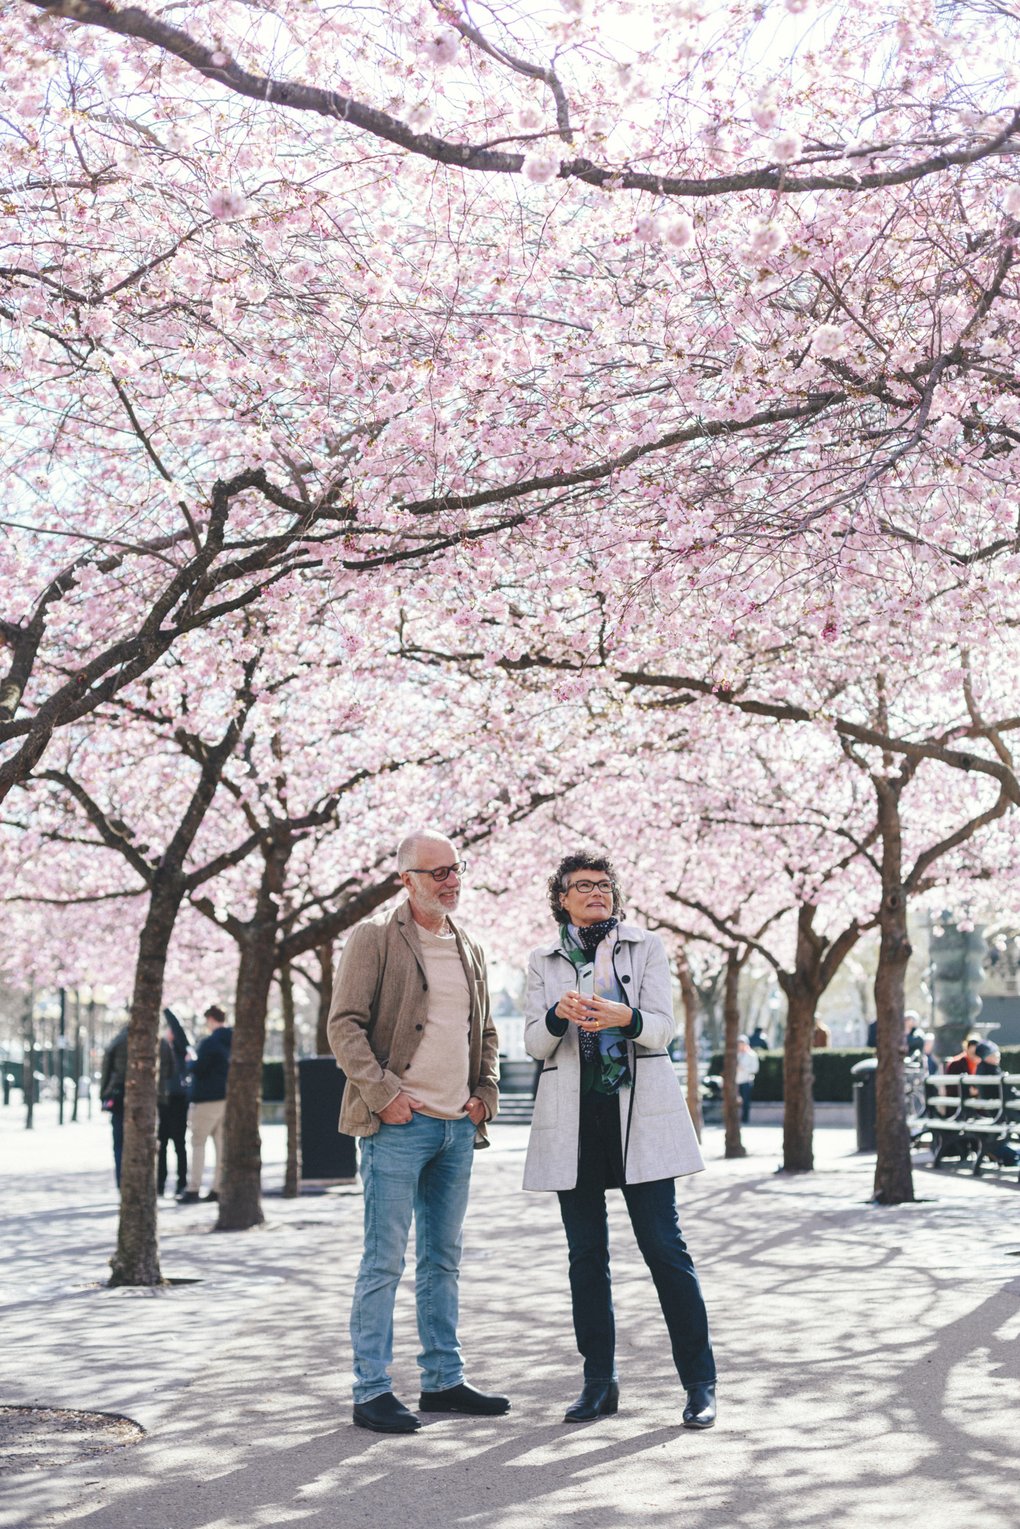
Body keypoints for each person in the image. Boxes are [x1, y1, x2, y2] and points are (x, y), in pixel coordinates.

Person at [524, 851, 716, 1430]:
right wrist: (559, 1016)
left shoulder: (646, 947)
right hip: (576, 1122)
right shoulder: (542, 959)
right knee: (587, 1258)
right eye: (582, 886)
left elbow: (663, 1028)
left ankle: (700, 1383)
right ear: (561, 898)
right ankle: (598, 1383)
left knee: (664, 1248)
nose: (595, 893)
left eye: (603, 885)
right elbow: (535, 1042)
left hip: (641, 1118)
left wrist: (623, 1018)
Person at [327, 828, 506, 1435]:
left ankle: (443, 1381)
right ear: (406, 879)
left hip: (458, 1129)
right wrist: (384, 1095)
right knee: (384, 1261)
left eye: (457, 869)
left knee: (443, 1261)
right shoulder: (375, 938)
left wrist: (486, 1094)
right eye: (438, 872)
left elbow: (484, 1032)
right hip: (397, 1127)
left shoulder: (470, 947)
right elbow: (344, 1025)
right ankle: (371, 1390)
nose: (452, 880)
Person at [177, 1005, 232, 1204]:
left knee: (198, 1143)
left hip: (206, 1099)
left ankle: (194, 1188)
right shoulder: (234, 1040)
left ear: (210, 1019)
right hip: (226, 1098)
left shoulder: (209, 1043)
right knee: (221, 1145)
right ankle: (217, 1187)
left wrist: (190, 1062)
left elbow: (198, 1069)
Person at [158, 1009, 190, 1198]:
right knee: (162, 1146)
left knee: (179, 1144)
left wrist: (166, 1009)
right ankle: (160, 1184)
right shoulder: (161, 1048)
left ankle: (181, 1183)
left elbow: (178, 1031)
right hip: (164, 1101)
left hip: (177, 1100)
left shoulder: (179, 1049)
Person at [99, 1024, 129, 1187]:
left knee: (119, 1142)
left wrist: (103, 1095)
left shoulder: (118, 1040)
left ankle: (121, 1181)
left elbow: (106, 1068)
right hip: (145, 1094)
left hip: (119, 1093)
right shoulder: (157, 1040)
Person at [736, 1034, 760, 1123]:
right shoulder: (735, 1054)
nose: (740, 1045)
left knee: (745, 1101)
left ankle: (745, 1119)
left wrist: (743, 1068)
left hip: (746, 1081)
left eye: (742, 1043)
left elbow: (755, 1069)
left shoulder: (752, 1055)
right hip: (736, 1081)